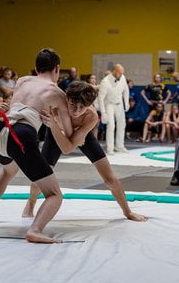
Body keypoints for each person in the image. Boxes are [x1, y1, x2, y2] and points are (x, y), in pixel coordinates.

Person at [0, 48, 73, 243]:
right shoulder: (57, 93)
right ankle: (35, 230)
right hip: (21, 136)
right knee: (54, 195)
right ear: (57, 69)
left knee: (7, 172)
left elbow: (15, 106)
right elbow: (68, 132)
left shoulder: (22, 81)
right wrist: (55, 122)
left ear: (36, 68)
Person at [20, 82, 147, 221]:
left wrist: (67, 133)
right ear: (66, 99)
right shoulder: (54, 105)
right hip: (56, 133)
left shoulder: (90, 116)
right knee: (41, 177)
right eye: (73, 105)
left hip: (82, 134)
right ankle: (31, 203)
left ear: (89, 106)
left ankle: (127, 211)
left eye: (82, 107)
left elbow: (68, 148)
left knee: (110, 178)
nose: (76, 111)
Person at [98, 64, 130, 155]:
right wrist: (103, 112)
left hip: (119, 104)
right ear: (114, 71)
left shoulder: (122, 77)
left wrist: (126, 102)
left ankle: (119, 146)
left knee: (122, 124)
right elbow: (101, 98)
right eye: (119, 73)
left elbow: (126, 90)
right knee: (111, 125)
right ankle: (110, 148)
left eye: (122, 73)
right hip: (109, 104)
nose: (121, 75)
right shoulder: (105, 81)